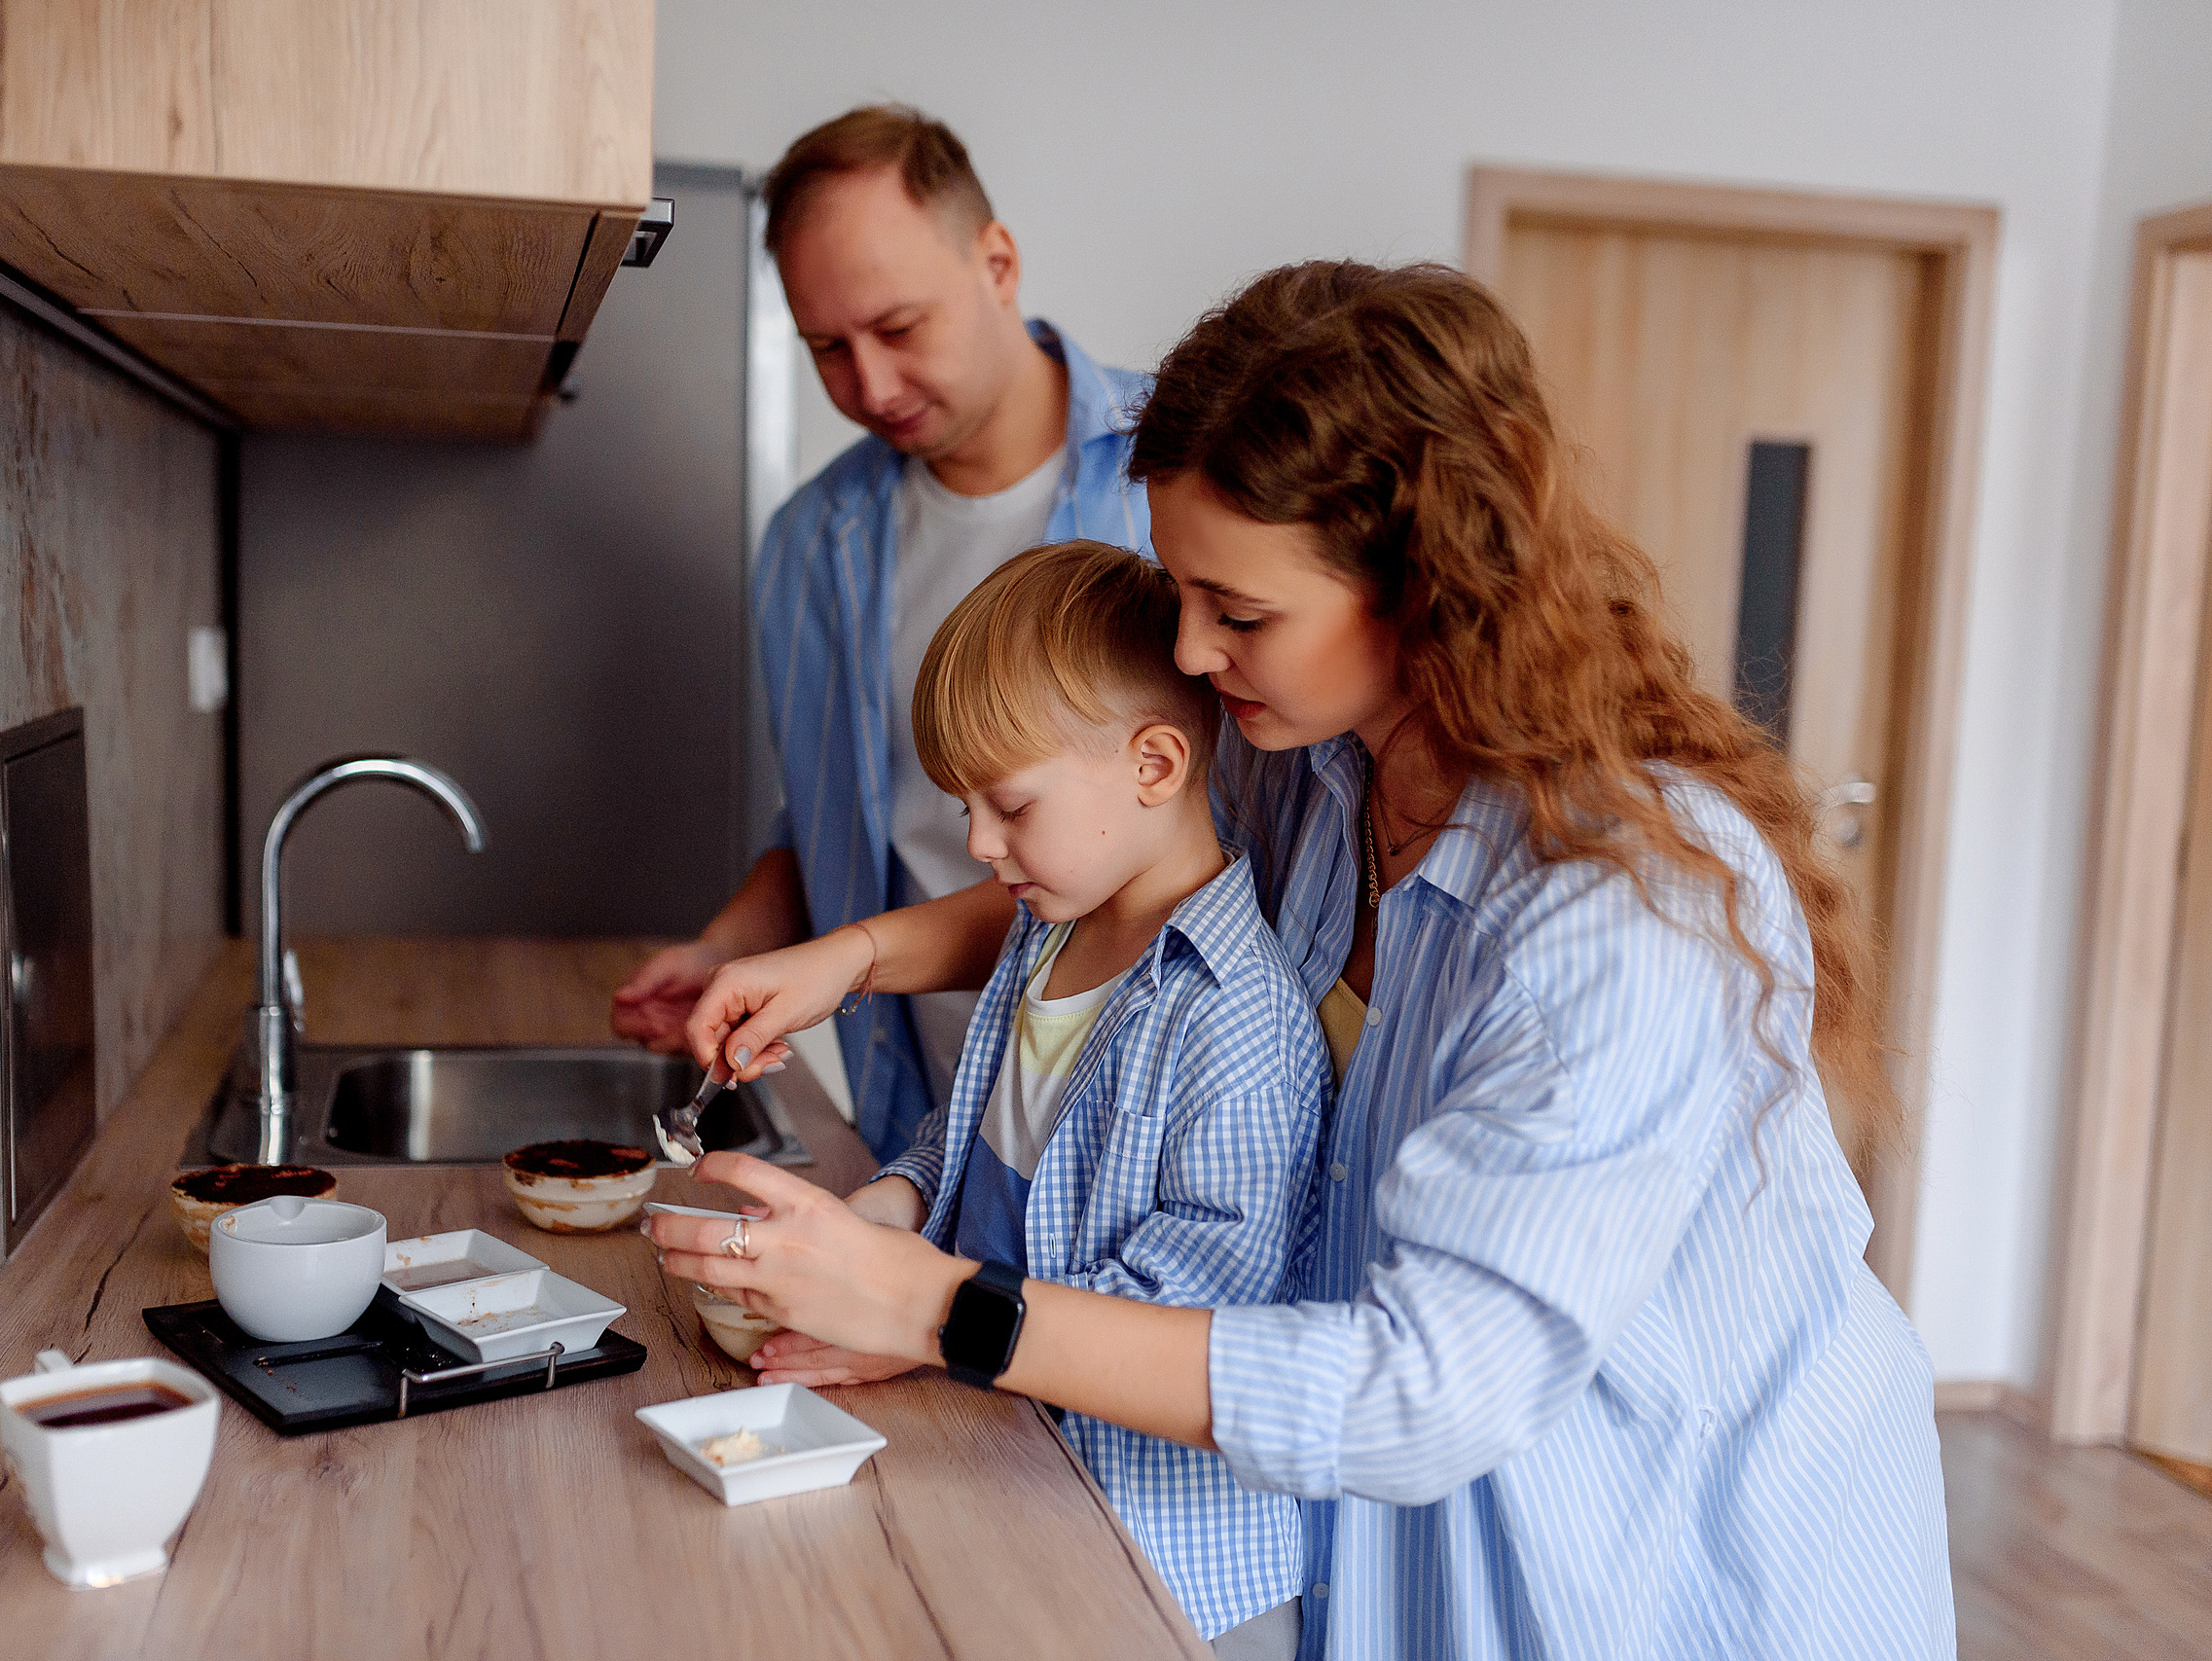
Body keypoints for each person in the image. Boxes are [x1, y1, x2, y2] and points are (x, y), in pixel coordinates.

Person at [647, 263, 1956, 1658]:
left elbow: (1426, 1388)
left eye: (1241, 611)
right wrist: (847, 963)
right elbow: (1101, 897)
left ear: (1424, 586)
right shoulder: (1313, 770)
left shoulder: (1625, 911)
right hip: (1404, 1541)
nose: (1193, 650)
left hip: (1677, 1562)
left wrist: (938, 1307)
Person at [608, 105, 1151, 1162]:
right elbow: (832, 820)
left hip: (1142, 1122)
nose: (872, 386)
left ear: (996, 262)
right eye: (827, 349)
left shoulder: (1175, 473)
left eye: (900, 328)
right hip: (924, 1119)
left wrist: (848, 957)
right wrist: (728, 948)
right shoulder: (812, 544)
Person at [811, 539, 1324, 1654]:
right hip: (1026, 1480)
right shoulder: (1044, 938)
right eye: (964, 807)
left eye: (1008, 804)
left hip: (1173, 1572)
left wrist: (923, 1317)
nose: (978, 845)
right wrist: (887, 1214)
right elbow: (973, 1133)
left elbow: (1191, 1320)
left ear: (1153, 763)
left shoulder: (1234, 1015)